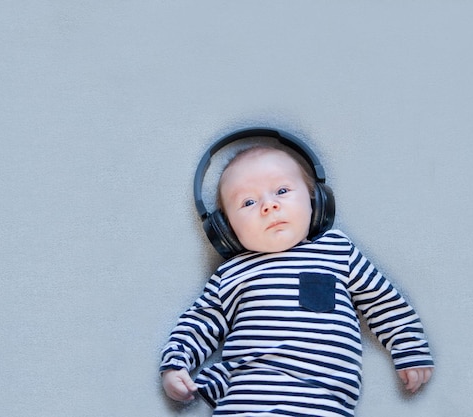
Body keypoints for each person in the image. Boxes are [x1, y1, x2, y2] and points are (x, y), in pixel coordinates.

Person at [160, 145, 434, 416]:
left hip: (323, 406)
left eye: (281, 191)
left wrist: (409, 347)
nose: (269, 205)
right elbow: (200, 321)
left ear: (316, 200)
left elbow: (382, 300)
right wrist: (175, 364)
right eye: (248, 202)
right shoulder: (231, 274)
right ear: (226, 230)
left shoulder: (336, 252)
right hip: (247, 403)